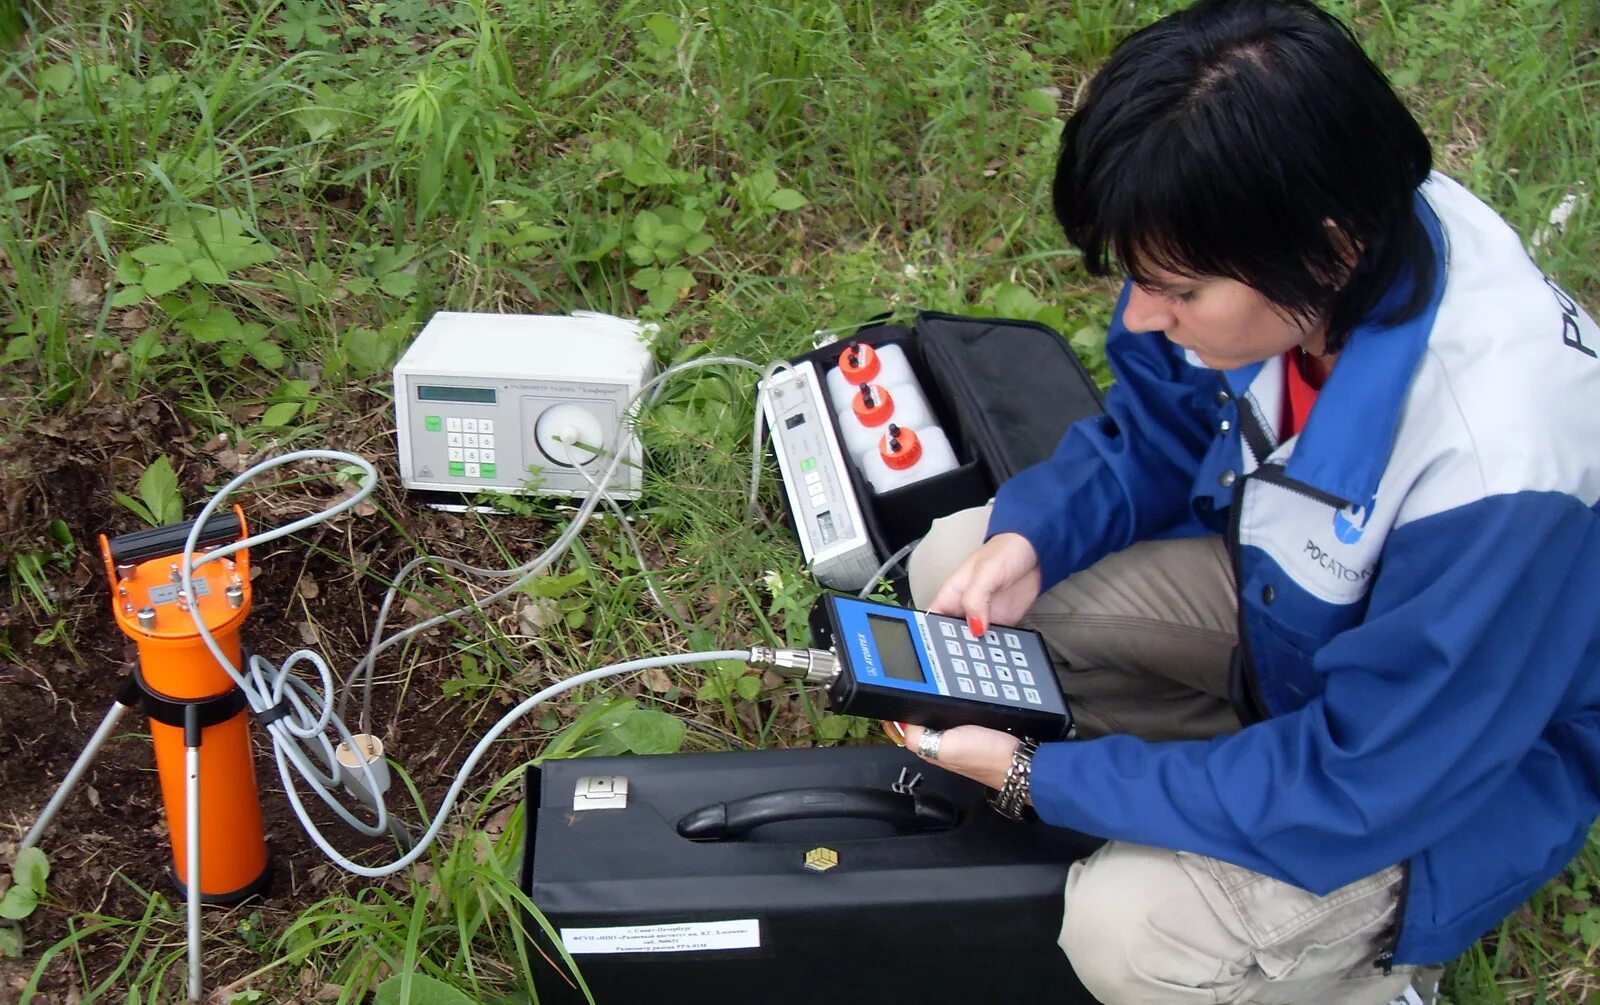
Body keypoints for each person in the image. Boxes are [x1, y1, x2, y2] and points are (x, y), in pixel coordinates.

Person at [897, 1, 1600, 1002]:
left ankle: (1375, 975)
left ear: (1324, 252)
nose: (1141, 315)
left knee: (1131, 934)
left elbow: (1363, 780)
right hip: (1305, 630)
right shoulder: (1279, 227)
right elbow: (1155, 434)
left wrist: (1034, 777)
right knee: (961, 567)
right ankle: (1222, 774)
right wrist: (1035, 539)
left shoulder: (1497, 461)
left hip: (1443, 774)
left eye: (1174, 290)